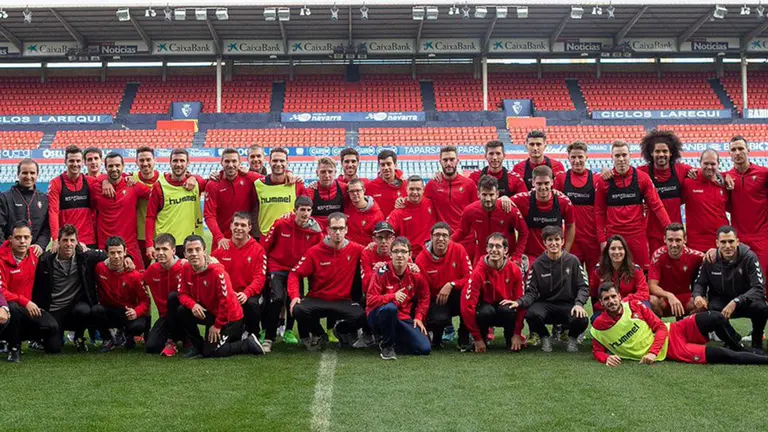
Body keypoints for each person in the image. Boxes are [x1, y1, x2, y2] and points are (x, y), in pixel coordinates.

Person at [591, 283, 768, 366]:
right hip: (671, 349)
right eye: (606, 299)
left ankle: (739, 346)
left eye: (614, 297)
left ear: (619, 297)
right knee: (724, 355)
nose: (611, 301)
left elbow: (660, 327)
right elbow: (597, 350)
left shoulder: (633, 306)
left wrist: (652, 353)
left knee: (716, 317)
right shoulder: (598, 328)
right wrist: (606, 358)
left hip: (673, 330)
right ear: (601, 302)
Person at [34, 224, 129, 352]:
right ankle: (45, 335)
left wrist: (128, 258)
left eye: (72, 240)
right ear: (58, 241)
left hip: (75, 307)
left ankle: (79, 337)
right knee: (53, 349)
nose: (69, 244)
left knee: (84, 310)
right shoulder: (46, 260)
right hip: (54, 308)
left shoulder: (85, 257)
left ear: (77, 242)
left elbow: (110, 254)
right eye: (65, 240)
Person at [177, 235, 264, 358]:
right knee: (182, 311)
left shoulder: (217, 272)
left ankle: (247, 343)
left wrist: (217, 326)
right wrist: (193, 305)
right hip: (213, 313)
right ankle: (198, 347)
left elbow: (226, 302)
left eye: (197, 249)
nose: (194, 254)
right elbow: (182, 294)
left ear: (204, 251)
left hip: (230, 317)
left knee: (213, 352)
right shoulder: (185, 268)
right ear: (185, 254)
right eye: (190, 251)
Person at [288, 212, 366, 350]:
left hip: (343, 300)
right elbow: (295, 274)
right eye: (334, 228)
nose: (338, 232)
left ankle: (341, 330)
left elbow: (375, 256)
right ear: (328, 230)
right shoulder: (314, 252)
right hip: (318, 298)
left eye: (341, 228)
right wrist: (295, 296)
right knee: (298, 309)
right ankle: (319, 334)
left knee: (364, 316)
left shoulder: (357, 249)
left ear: (346, 230)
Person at [595, 141, 670, 270]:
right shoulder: (603, 181)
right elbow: (599, 213)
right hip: (614, 238)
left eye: (624, 155)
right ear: (611, 157)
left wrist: (669, 231)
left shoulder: (642, 178)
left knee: (642, 274)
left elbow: (657, 206)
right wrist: (602, 241)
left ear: (630, 156)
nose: (621, 159)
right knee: (614, 276)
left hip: (637, 238)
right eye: (617, 155)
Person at [693, 225, 768, 353]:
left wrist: (737, 301)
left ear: (737, 241)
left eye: (731, 241)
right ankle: (733, 340)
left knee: (761, 307)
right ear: (717, 243)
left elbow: (759, 287)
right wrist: (698, 295)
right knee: (713, 309)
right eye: (723, 242)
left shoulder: (749, 257)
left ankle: (757, 340)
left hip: (746, 300)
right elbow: (699, 283)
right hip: (722, 301)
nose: (727, 246)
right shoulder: (710, 259)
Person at [262, 196, 323, 347]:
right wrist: (266, 268)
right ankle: (269, 338)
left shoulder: (315, 232)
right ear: (295, 211)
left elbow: (319, 252)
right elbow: (266, 245)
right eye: (302, 210)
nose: (305, 213)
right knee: (276, 299)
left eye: (308, 210)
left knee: (296, 301)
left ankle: (289, 330)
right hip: (277, 267)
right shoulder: (281, 224)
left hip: (297, 272)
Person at [517, 226, 589, 353]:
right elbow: (531, 292)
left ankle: (572, 339)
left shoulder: (572, 261)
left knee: (581, 318)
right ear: (544, 242)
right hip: (546, 305)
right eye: (550, 240)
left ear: (562, 241)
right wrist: (519, 302)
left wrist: (579, 304)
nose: (553, 243)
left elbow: (583, 286)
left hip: (568, 304)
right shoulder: (538, 264)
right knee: (531, 313)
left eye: (557, 239)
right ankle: (545, 337)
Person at [1, 222, 59, 361]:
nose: (22, 241)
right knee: (13, 308)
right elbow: (1, 290)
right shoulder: (1, 259)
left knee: (52, 332)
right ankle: (14, 347)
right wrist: (25, 301)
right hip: (7, 308)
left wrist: (81, 247)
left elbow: (60, 252)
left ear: (31, 239)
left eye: (26, 237)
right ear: (10, 239)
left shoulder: (35, 254)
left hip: (29, 308)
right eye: (18, 237)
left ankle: (30, 340)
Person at [367, 237, 431, 360]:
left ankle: (396, 340)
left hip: (402, 317)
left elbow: (425, 296)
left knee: (424, 348)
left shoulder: (415, 274)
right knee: (390, 308)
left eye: (403, 251)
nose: (400, 255)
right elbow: (370, 300)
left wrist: (419, 317)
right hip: (378, 316)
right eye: (396, 251)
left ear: (410, 255)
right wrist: (392, 296)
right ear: (390, 254)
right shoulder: (381, 273)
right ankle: (387, 346)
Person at [460, 233, 525, 353]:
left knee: (509, 309)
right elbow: (467, 307)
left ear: (505, 250)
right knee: (484, 312)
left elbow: (521, 302)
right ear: (486, 249)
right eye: (491, 246)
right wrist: (477, 338)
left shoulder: (515, 270)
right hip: (486, 309)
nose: (494, 250)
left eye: (498, 246)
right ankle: (483, 338)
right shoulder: (478, 272)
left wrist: (517, 333)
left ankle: (510, 338)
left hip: (504, 309)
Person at [211, 212, 267, 344]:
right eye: (236, 224)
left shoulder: (258, 250)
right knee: (229, 338)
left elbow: (260, 278)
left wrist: (246, 293)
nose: (239, 228)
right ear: (231, 226)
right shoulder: (221, 250)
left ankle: (253, 333)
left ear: (249, 228)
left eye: (243, 225)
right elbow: (211, 272)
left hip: (247, 295)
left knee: (252, 303)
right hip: (228, 295)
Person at [90, 152, 151, 270]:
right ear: (105, 167)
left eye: (117, 165)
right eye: (111, 166)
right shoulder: (96, 187)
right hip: (105, 247)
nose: (114, 169)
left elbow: (156, 195)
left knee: (139, 282)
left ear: (123, 166)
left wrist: (194, 178)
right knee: (105, 285)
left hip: (130, 246)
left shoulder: (132, 185)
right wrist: (103, 180)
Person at [415, 222, 472, 349]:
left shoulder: (459, 250)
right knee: (439, 318)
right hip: (436, 299)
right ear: (431, 237)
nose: (441, 238)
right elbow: (423, 292)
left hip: (456, 295)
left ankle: (464, 336)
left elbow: (469, 278)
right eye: (437, 235)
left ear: (450, 238)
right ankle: (436, 338)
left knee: (468, 296)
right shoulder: (421, 259)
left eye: (445, 235)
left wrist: (451, 284)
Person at [636, 131, 694, 255]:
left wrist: (722, 177)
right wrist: (605, 171)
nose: (661, 154)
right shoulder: (643, 172)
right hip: (653, 236)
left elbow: (706, 171)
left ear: (671, 152)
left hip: (675, 234)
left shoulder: (680, 169)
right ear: (651, 153)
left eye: (664, 151)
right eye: (657, 151)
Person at [452, 176, 528, 266]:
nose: (488, 199)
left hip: (505, 260)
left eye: (491, 195)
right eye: (484, 194)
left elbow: (524, 232)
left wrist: (516, 256)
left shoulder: (508, 209)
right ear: (478, 194)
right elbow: (462, 232)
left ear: (497, 194)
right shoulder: (470, 211)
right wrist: (447, 243)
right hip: (481, 260)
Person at [92, 236, 150, 353]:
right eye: (112, 253)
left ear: (125, 252)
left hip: (127, 312)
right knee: (95, 310)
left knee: (138, 326)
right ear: (107, 253)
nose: (116, 256)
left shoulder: (134, 275)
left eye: (119, 252)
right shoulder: (100, 268)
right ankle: (108, 339)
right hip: (109, 311)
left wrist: (136, 312)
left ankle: (127, 335)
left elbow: (146, 300)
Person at [145, 149, 206, 259]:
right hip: (166, 244)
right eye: (175, 161)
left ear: (188, 163)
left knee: (190, 275)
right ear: (170, 162)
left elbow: (208, 181)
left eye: (182, 161)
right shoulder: (159, 187)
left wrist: (194, 177)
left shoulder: (197, 184)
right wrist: (149, 244)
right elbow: (150, 217)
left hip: (190, 243)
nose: (178, 164)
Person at [512, 165, 575, 263]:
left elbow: (570, 226)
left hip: (554, 255)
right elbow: (500, 204)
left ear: (552, 182)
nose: (543, 187)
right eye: (539, 183)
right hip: (530, 257)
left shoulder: (563, 202)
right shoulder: (523, 200)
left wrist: (565, 252)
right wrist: (504, 198)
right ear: (533, 183)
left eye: (546, 183)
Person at [554, 141, 600, 274]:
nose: (577, 160)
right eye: (573, 157)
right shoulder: (561, 179)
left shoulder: (596, 179)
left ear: (586, 157)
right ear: (568, 158)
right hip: (571, 239)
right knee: (571, 277)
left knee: (596, 278)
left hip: (592, 239)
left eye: (580, 157)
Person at [205, 148, 263, 251]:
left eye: (234, 161)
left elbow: (269, 180)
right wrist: (219, 238)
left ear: (240, 163)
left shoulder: (249, 180)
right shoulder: (213, 184)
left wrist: (288, 173)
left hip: (246, 240)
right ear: (221, 162)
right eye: (227, 161)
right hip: (222, 242)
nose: (231, 165)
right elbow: (209, 215)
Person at [727, 136, 768, 274]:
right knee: (741, 277)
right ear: (729, 154)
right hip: (739, 238)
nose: (737, 152)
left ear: (748, 150)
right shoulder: (726, 177)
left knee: (761, 276)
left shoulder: (764, 174)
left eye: (740, 148)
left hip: (762, 236)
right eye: (733, 149)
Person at [48, 145, 101, 250]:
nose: (75, 164)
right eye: (71, 161)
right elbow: (53, 212)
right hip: (67, 240)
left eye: (78, 161)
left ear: (82, 162)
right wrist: (55, 239)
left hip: (88, 240)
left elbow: (106, 179)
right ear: (65, 162)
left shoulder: (90, 182)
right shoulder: (56, 183)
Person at [648, 224, 705, 318]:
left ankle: (687, 327)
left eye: (678, 240)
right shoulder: (658, 255)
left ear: (685, 240)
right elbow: (652, 286)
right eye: (670, 240)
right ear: (664, 239)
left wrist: (712, 252)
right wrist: (669, 295)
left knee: (702, 303)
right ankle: (658, 330)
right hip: (665, 299)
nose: (674, 244)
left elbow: (711, 258)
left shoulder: (695, 255)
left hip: (685, 299)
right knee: (652, 300)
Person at [143, 233, 184, 356]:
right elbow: (136, 280)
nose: (160, 253)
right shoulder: (152, 270)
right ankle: (177, 338)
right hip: (165, 317)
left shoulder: (185, 267)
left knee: (173, 297)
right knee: (152, 347)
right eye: (157, 249)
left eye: (165, 249)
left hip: (184, 315)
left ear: (173, 250)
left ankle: (178, 339)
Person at [681, 149, 729, 253]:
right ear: (700, 163)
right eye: (706, 163)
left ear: (718, 164)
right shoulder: (689, 182)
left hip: (721, 243)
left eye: (713, 164)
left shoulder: (725, 184)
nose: (709, 167)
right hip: (696, 244)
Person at [252, 147, 307, 239]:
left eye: (282, 161)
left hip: (289, 236)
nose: (278, 164)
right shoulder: (258, 184)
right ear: (269, 162)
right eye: (275, 161)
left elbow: (306, 210)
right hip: (265, 237)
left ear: (287, 163)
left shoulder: (297, 184)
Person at [0, 158, 50, 257]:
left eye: (32, 173)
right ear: (18, 174)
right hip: (10, 254)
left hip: (35, 254)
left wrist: (40, 245)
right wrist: (5, 249)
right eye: (24, 173)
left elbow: (47, 228)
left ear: (37, 175)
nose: (28, 176)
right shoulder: (5, 198)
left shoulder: (44, 199)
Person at [589, 235, 649, 316]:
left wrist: (625, 301)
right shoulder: (598, 271)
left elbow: (644, 293)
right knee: (596, 320)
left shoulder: (635, 270)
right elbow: (594, 295)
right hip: (607, 309)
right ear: (607, 251)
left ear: (625, 251)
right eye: (613, 249)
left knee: (646, 307)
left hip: (630, 306)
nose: (617, 252)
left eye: (620, 248)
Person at [425, 146, 478, 231]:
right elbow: (419, 203)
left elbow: (477, 210)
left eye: (452, 159)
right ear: (440, 162)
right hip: (442, 237)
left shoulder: (469, 184)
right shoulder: (432, 185)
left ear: (457, 161)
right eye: (445, 160)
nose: (449, 163)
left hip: (463, 236)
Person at [387, 175, 437, 257]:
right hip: (409, 257)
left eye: (418, 189)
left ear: (423, 190)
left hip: (430, 255)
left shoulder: (431, 203)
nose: (415, 192)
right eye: (411, 189)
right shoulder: (398, 211)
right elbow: (387, 233)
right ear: (406, 189)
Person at [133, 146, 161, 268]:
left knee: (165, 273)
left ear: (155, 160)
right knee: (140, 272)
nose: (145, 163)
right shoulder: (130, 178)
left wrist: (192, 177)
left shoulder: (164, 179)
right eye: (141, 160)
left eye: (148, 160)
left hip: (162, 233)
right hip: (140, 236)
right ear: (136, 162)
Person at [306, 157, 349, 231]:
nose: (327, 175)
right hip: (318, 234)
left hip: (338, 234)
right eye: (323, 172)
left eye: (330, 171)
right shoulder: (310, 191)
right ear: (317, 173)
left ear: (335, 172)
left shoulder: (344, 188)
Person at [366, 150, 407, 217]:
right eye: (383, 165)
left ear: (395, 165)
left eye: (388, 164)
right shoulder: (370, 187)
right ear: (379, 166)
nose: (386, 168)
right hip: (382, 226)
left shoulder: (406, 185)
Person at [344, 178, 384, 245]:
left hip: (367, 252)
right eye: (351, 191)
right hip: (350, 251)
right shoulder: (346, 209)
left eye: (358, 190)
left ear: (364, 190)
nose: (355, 193)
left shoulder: (377, 214)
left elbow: (379, 238)